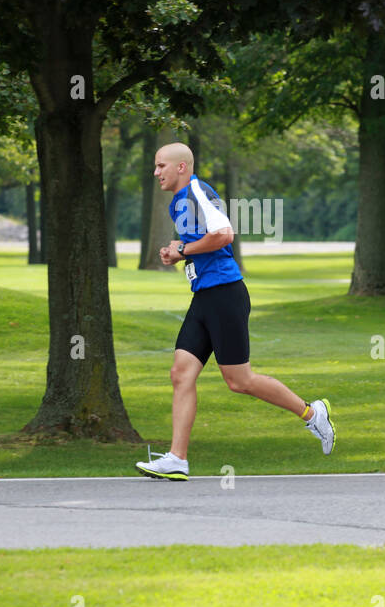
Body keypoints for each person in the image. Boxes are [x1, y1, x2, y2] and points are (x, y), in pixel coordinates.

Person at [136, 141, 333, 480]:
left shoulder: (196, 191)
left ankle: (312, 413)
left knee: (240, 382)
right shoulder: (180, 202)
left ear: (181, 167)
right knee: (180, 373)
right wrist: (179, 253)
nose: (156, 173)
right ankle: (177, 459)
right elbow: (202, 245)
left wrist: (182, 249)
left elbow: (224, 234)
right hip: (205, 297)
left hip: (225, 295)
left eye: (161, 166)